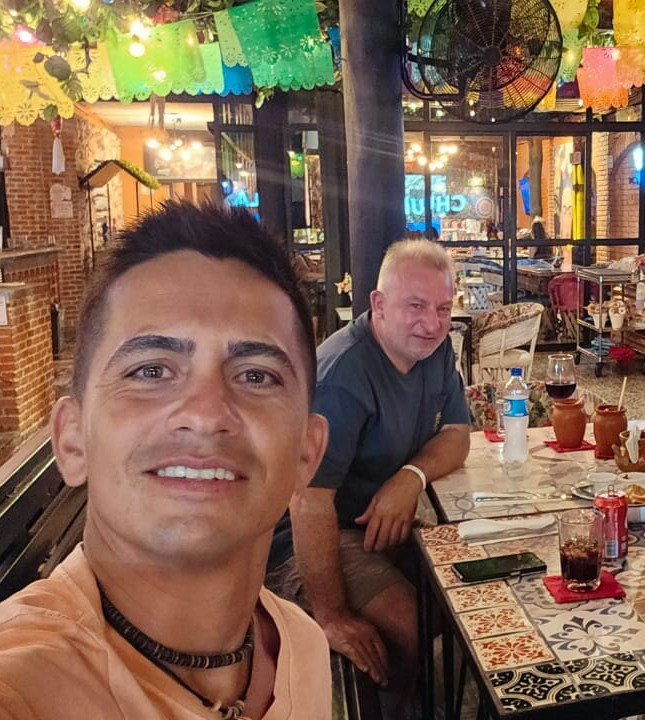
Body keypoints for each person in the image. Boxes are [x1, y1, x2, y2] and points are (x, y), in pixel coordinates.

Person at [0, 201, 332, 717]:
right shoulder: (24, 683)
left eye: (255, 376)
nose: (205, 414)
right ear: (72, 440)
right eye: (151, 371)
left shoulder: (302, 646)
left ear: (307, 452)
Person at [274, 239, 470, 714]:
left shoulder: (434, 350)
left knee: (474, 589)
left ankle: (416, 693)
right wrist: (333, 616)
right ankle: (394, 704)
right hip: (304, 536)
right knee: (410, 625)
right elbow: (308, 500)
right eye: (416, 306)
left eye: (443, 308)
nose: (432, 323)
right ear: (378, 304)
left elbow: (458, 435)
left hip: (373, 522)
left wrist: (410, 478)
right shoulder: (343, 375)